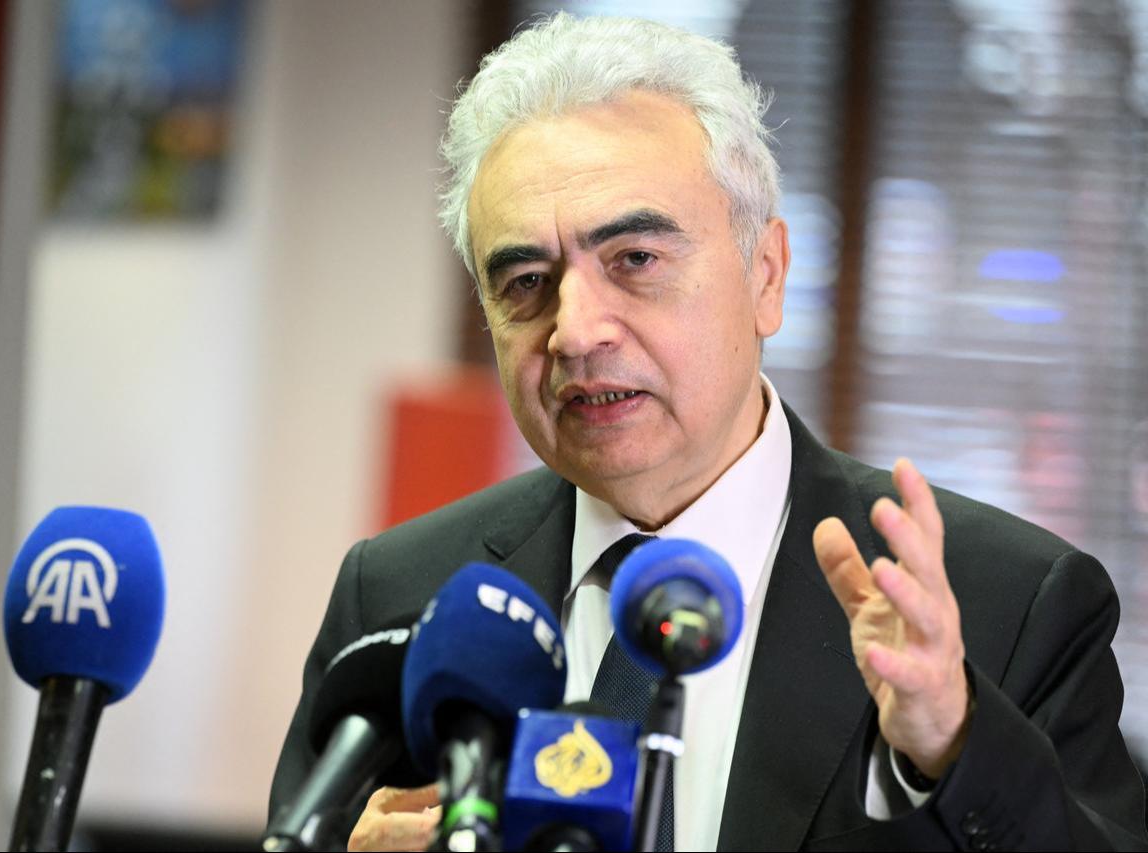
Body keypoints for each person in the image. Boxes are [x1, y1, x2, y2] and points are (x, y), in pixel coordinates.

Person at [270, 13, 1148, 851]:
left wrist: (954, 746)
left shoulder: (1005, 607)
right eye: (528, 281)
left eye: (636, 261)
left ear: (766, 275)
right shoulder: (396, 594)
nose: (576, 331)